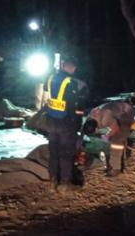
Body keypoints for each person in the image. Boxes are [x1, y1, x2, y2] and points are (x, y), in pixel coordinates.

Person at [43, 57, 81, 193]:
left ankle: (52, 183)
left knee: (53, 152)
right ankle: (65, 184)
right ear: (72, 68)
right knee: (66, 153)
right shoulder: (71, 82)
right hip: (65, 122)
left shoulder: (50, 78)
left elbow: (46, 96)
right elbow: (73, 104)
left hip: (50, 120)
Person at [83, 101, 134, 177]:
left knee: (116, 142)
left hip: (126, 114)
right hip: (118, 112)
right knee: (111, 138)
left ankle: (116, 169)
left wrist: (107, 136)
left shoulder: (105, 119)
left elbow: (115, 128)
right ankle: (118, 158)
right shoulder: (92, 115)